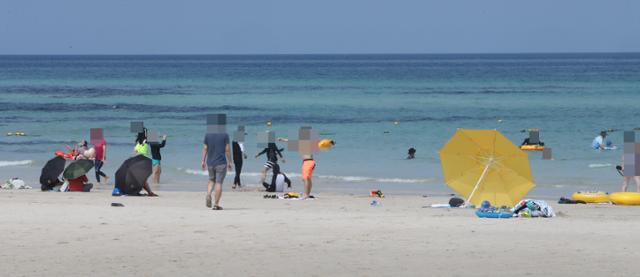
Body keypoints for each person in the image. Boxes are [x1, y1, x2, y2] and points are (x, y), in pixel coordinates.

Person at [202, 132, 232, 210]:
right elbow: (227, 150)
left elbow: (205, 148)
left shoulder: (208, 134)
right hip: (221, 163)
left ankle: (208, 194)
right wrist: (230, 162)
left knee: (211, 180)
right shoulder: (225, 135)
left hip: (210, 163)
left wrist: (203, 161)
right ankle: (216, 204)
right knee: (219, 182)